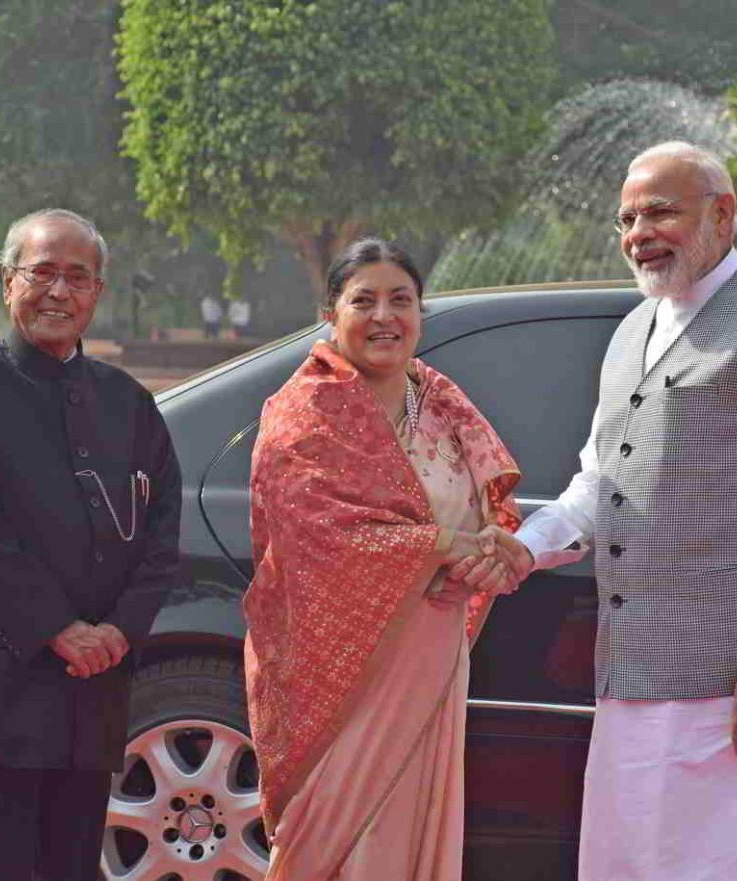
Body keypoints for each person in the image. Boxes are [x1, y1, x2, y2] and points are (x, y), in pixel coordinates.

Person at [459, 142, 737, 880]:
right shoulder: (633, 330)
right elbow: (600, 479)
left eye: (660, 210)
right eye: (626, 217)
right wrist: (525, 546)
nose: (639, 230)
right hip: (636, 675)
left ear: (723, 212)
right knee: (636, 862)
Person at [0, 208, 182, 881]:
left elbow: (161, 527)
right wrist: (60, 628)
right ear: (7, 282)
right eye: (43, 272)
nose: (59, 292)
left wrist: (118, 628)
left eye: (77, 277)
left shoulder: (128, 403)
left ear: (98, 293)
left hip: (86, 699)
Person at [243, 237, 522, 881]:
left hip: (432, 649)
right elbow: (314, 536)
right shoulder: (303, 412)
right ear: (328, 314)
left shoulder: (443, 402)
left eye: (401, 300)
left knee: (416, 825)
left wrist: (495, 551)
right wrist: (441, 546)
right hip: (343, 667)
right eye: (362, 300)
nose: (384, 317)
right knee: (338, 833)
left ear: (421, 313)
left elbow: (490, 508)